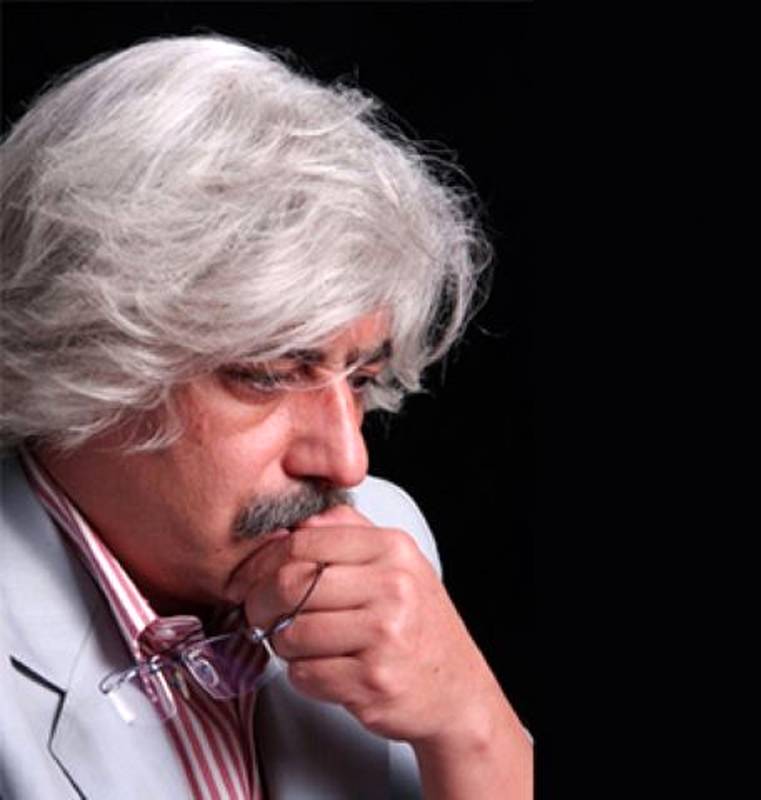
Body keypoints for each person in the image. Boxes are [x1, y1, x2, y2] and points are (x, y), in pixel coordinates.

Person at [0, 34, 532, 799]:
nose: (348, 461)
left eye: (361, 379)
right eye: (270, 375)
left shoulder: (388, 549)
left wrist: (472, 727)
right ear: (83, 355)